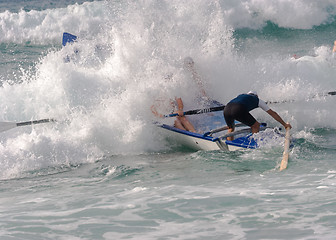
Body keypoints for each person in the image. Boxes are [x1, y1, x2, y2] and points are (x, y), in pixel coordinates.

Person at [223, 91, 292, 140]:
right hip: (238, 109)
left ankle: (229, 143)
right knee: (256, 125)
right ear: (256, 96)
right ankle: (253, 144)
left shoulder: (241, 96)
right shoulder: (258, 100)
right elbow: (273, 113)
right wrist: (284, 124)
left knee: (231, 128)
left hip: (226, 109)